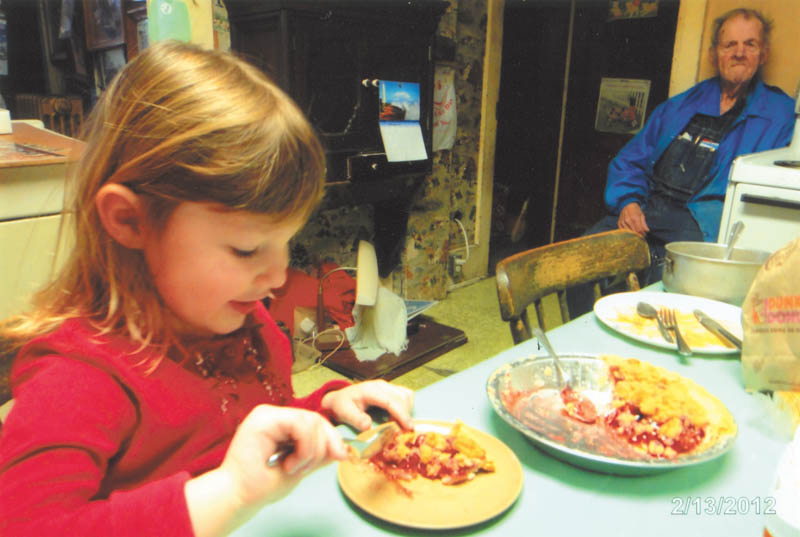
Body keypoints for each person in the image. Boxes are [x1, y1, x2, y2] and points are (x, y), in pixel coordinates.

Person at [0, 41, 414, 537]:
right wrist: (232, 492)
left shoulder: (244, 320)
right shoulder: (81, 378)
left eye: (285, 242)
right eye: (245, 250)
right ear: (131, 221)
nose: (278, 276)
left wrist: (321, 408)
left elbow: (248, 431)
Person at [570, 7, 795, 316]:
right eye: (730, 45)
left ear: (763, 53)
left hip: (702, 224)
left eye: (750, 44)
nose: (739, 53)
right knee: (581, 258)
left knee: (662, 289)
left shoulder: (781, 114)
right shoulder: (681, 105)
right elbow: (630, 161)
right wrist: (628, 203)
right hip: (649, 207)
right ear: (717, 52)